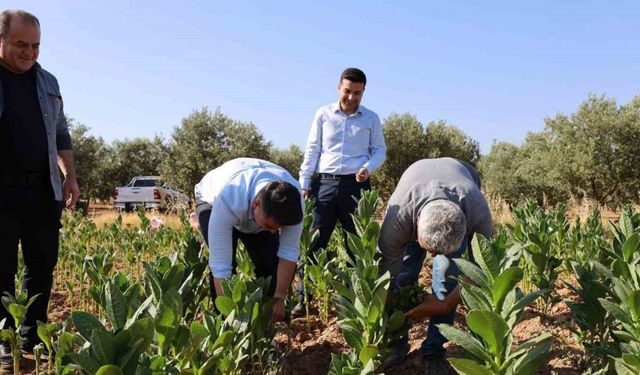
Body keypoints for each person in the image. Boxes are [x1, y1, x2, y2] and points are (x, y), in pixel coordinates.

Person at [0, 9, 79, 364]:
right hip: (2, 193)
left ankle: (32, 337)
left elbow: (61, 133)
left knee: (41, 266)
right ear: (1, 41)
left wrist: (70, 175)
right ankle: (4, 340)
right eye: (21, 44)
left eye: (35, 45)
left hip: (43, 191)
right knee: (0, 269)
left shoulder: (48, 82)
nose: (29, 52)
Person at [379, 157, 493, 374]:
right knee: (404, 273)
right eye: (429, 249)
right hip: (415, 182)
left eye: (439, 252)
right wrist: (398, 311)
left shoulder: (478, 213)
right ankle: (396, 341)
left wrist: (446, 303)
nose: (432, 256)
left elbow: (480, 272)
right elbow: (385, 279)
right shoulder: (397, 220)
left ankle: (434, 350)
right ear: (415, 227)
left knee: (448, 280)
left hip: (463, 180)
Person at [293, 67, 386, 315]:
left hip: (356, 187)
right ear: (338, 88)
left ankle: (358, 300)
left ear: (363, 91)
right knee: (312, 243)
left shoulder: (371, 119)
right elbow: (312, 150)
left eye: (357, 93)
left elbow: (379, 150)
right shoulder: (323, 114)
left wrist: (368, 168)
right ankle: (303, 300)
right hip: (323, 184)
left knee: (358, 244)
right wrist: (304, 183)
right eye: (347, 91)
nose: (352, 98)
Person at [194, 158, 304, 324]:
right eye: (269, 225)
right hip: (211, 200)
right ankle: (224, 325)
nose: (274, 232)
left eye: (279, 228)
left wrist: (279, 298)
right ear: (256, 204)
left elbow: (288, 253)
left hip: (253, 203)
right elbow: (220, 267)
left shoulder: (294, 204)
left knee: (269, 264)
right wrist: (232, 319)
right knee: (227, 265)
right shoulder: (228, 199)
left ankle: (264, 327)